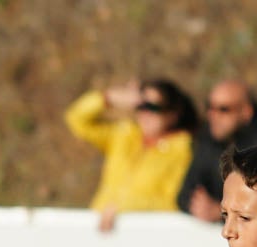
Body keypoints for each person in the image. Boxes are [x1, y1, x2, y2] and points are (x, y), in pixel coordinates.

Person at [65, 78, 196, 232]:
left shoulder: (184, 151)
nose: (146, 113)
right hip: (100, 228)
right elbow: (76, 119)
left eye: (153, 107)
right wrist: (109, 98)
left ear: (173, 114)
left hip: (143, 233)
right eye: (142, 106)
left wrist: (123, 208)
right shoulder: (125, 135)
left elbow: (173, 202)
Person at [178, 80, 257, 223]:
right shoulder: (207, 140)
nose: (213, 115)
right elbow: (184, 195)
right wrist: (202, 206)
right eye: (210, 107)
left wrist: (221, 212)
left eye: (223, 109)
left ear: (246, 112)